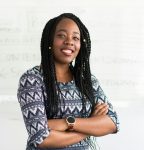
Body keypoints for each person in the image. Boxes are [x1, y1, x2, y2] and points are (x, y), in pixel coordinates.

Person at [17, 13, 119, 150]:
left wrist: (67, 123)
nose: (69, 41)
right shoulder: (32, 80)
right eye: (61, 35)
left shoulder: (87, 80)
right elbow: (42, 138)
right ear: (49, 41)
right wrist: (91, 125)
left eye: (75, 38)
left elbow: (112, 123)